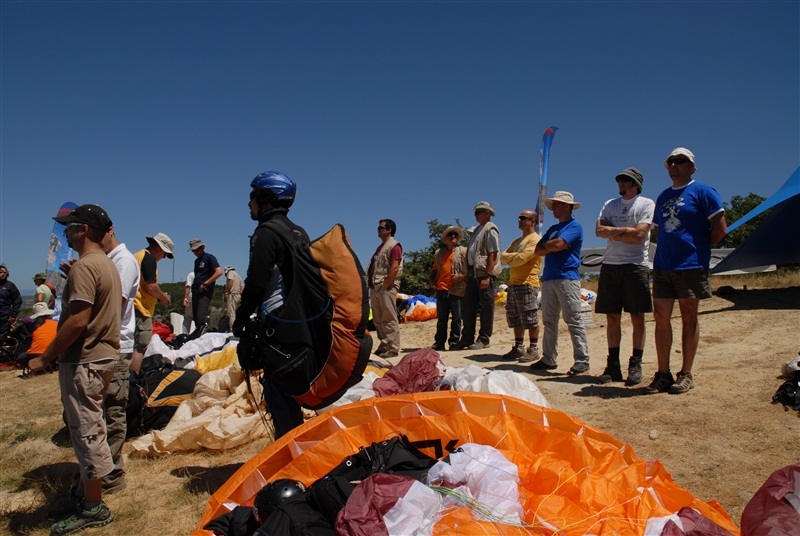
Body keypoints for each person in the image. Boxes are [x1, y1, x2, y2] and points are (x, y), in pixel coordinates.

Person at [28, 204, 121, 534]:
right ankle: (86, 495)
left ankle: (93, 508)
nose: (64, 233)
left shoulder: (85, 268)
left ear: (83, 230)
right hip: (103, 355)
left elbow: (79, 320)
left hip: (85, 359)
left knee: (86, 431)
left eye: (69, 227)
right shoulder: (105, 265)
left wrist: (44, 356)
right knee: (92, 425)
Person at [232, 171, 308, 437]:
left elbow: (256, 283)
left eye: (253, 197)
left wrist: (240, 320)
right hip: (300, 324)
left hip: (278, 325)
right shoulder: (299, 232)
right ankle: (294, 453)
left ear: (266, 198)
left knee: (279, 395)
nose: (249, 203)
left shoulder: (266, 233)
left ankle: (290, 462)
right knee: (289, 395)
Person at [647, 148, 727, 394]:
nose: (674, 165)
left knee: (689, 317)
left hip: (690, 265)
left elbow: (720, 228)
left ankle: (686, 373)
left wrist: (698, 248)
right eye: (670, 162)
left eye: (680, 161)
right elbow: (657, 231)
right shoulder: (662, 196)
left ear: (691, 167)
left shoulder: (703, 191)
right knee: (661, 317)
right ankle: (663, 373)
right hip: (663, 265)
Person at [594, 168, 655, 386]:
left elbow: (640, 235)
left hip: (636, 265)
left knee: (637, 316)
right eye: (619, 179)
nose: (620, 183)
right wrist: (626, 231)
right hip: (611, 265)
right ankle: (613, 366)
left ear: (636, 184)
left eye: (625, 180)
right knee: (612, 317)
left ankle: (636, 363)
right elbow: (598, 231)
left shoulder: (646, 203)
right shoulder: (610, 204)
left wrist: (614, 231)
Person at [530, 191, 592, 375]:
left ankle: (582, 359)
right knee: (549, 320)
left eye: (556, 204)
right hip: (549, 278)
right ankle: (549, 358)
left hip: (567, 277)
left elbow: (552, 246)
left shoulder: (575, 226)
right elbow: (538, 250)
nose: (553, 208)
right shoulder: (553, 229)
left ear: (566, 206)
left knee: (573, 319)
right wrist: (553, 245)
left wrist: (551, 245)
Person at [99, 226, 140, 493]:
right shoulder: (111, 261)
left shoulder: (124, 261)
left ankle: (111, 474)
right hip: (108, 344)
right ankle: (102, 470)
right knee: (104, 411)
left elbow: (116, 304)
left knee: (113, 410)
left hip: (116, 344)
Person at [499, 209, 543, 363]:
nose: (520, 220)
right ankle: (518, 347)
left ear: (533, 221)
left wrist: (512, 258)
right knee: (515, 317)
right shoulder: (517, 241)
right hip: (514, 283)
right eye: (519, 217)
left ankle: (533, 348)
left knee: (530, 318)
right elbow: (502, 256)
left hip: (527, 283)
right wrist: (513, 257)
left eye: (524, 218)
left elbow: (521, 259)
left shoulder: (535, 239)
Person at [456, 201, 501, 350]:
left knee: (486, 307)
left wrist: (488, 275)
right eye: (475, 212)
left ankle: (484, 338)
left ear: (487, 213)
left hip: (483, 273)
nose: (476, 215)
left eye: (479, 212)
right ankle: (467, 338)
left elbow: (493, 253)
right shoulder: (477, 230)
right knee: (469, 307)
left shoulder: (490, 229)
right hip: (473, 273)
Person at [132, 233, 173, 373]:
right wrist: (163, 297)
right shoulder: (149, 259)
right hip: (141, 309)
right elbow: (151, 286)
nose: (163, 258)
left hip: (131, 307)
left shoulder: (138, 255)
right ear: (160, 249)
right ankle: (133, 381)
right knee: (140, 347)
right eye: (165, 255)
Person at [367, 219, 403, 358]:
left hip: (385, 287)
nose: (378, 229)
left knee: (388, 317)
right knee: (378, 319)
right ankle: (384, 344)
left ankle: (393, 348)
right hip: (376, 287)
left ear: (389, 230)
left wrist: (386, 285)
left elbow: (395, 267)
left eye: (381, 227)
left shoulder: (394, 246)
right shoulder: (381, 247)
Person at [429, 226, 467, 351]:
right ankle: (439, 342)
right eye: (450, 235)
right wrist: (432, 280)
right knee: (442, 319)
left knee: (457, 318)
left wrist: (461, 276)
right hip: (441, 289)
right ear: (445, 238)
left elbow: (470, 270)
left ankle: (454, 341)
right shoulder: (439, 253)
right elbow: (435, 269)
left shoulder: (463, 251)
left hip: (457, 288)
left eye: (455, 235)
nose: (453, 237)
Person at [14, 301, 58, 374]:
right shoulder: (56, 324)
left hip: (33, 355)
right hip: (53, 354)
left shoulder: (33, 327)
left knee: (20, 358)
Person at [188, 238, 223, 331]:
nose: (195, 252)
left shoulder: (209, 257)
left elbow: (219, 272)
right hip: (196, 290)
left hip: (205, 290)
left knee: (201, 315)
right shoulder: (196, 261)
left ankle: (202, 334)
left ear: (202, 248)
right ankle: (198, 333)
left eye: (197, 250)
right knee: (195, 315)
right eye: (193, 251)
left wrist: (205, 283)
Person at [0, 264, 22, 339]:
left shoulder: (10, 285)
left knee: (3, 335)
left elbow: (17, 300)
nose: (2, 274)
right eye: (0, 272)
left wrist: (14, 315)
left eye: (4, 272)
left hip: (4, 315)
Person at [224, 265, 244, 331]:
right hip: (239, 296)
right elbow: (241, 288)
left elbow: (231, 281)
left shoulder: (231, 273)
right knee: (238, 314)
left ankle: (232, 329)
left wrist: (227, 291)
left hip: (233, 295)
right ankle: (239, 328)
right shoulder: (238, 276)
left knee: (232, 313)